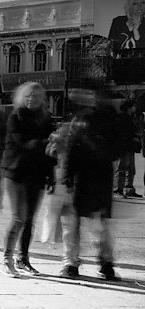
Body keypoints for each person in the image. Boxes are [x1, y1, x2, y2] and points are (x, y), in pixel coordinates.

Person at [58, 89, 122, 280]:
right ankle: (86, 263)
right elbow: (71, 147)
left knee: (93, 223)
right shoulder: (86, 118)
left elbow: (120, 147)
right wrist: (67, 176)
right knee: (84, 222)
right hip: (87, 176)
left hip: (94, 176)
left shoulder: (107, 119)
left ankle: (81, 263)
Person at [0, 82, 54, 277]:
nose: (32, 99)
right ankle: (6, 259)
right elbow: (23, 143)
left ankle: (22, 259)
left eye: (37, 96)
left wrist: (52, 176)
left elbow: (50, 153)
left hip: (37, 173)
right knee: (18, 217)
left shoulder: (47, 119)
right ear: (23, 97)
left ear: (43, 99)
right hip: (16, 173)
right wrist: (47, 142)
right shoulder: (16, 117)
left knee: (30, 219)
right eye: (29, 95)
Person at [113, 99, 142, 198]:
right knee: (122, 167)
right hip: (125, 146)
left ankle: (129, 188)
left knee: (131, 169)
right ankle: (118, 189)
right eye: (133, 106)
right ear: (128, 107)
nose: (135, 108)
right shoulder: (122, 118)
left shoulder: (132, 117)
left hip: (131, 147)